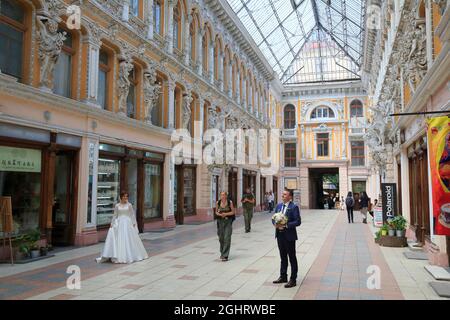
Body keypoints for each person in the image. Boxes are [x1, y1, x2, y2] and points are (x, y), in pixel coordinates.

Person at [96, 192, 148, 264]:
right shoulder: (117, 205)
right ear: (121, 197)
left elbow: (132, 215)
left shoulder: (129, 205)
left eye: (126, 197)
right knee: (119, 238)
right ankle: (118, 255)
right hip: (119, 223)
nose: (125, 198)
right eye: (124, 196)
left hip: (127, 223)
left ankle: (130, 255)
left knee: (128, 239)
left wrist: (134, 223)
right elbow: (115, 215)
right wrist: (112, 223)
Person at [272, 189, 301, 288]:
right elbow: (274, 218)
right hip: (279, 235)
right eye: (282, 194)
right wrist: (276, 224)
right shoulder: (278, 206)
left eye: (285, 194)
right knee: (283, 257)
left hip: (289, 236)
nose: (282, 196)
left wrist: (286, 225)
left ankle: (293, 279)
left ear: (290, 197)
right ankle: (283, 276)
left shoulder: (294, 207)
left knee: (292, 257)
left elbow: (298, 221)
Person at [216, 191, 236, 261]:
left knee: (227, 238)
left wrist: (226, 214)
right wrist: (220, 214)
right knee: (221, 238)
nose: (223, 196)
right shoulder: (218, 202)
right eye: (221, 195)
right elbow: (216, 212)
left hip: (228, 222)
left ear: (226, 196)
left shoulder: (230, 202)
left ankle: (225, 255)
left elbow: (233, 212)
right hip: (220, 222)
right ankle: (222, 253)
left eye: (224, 195)